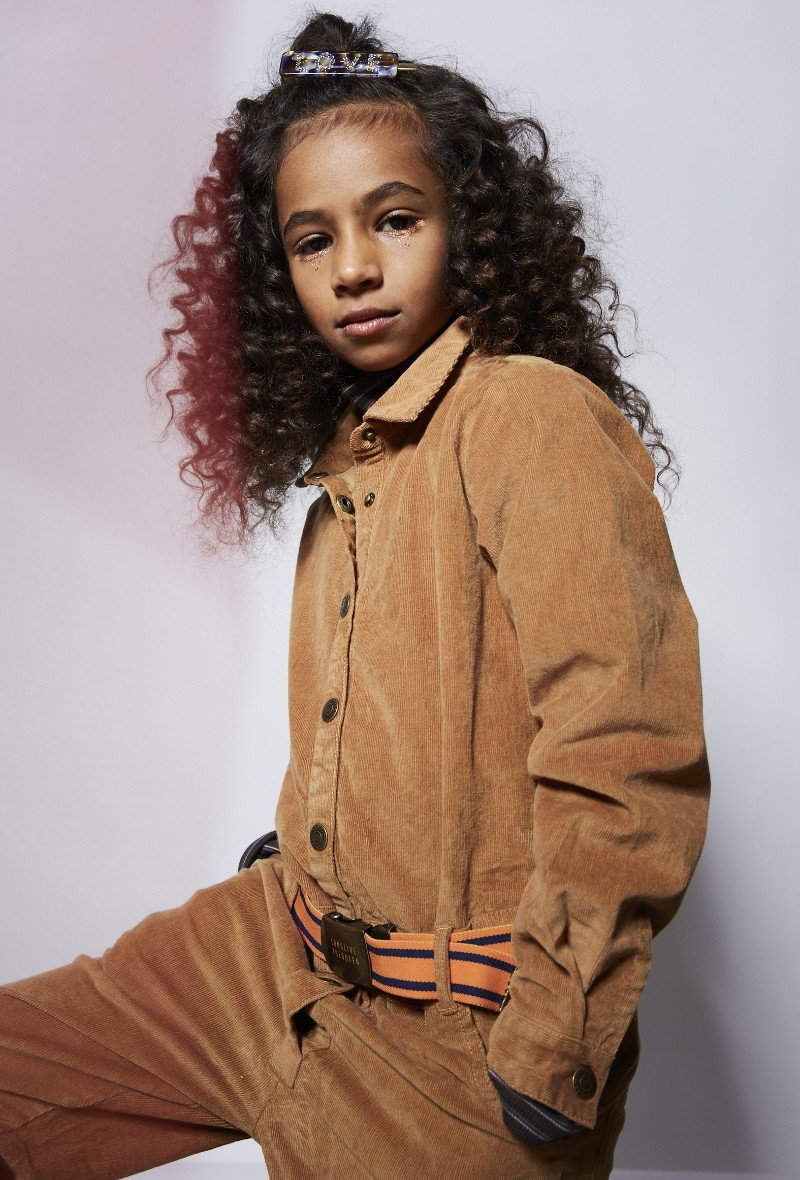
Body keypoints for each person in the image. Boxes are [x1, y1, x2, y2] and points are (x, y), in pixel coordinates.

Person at [0, 10, 711, 1179]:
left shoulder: (527, 414)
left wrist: (553, 1045)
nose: (354, 270)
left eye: (394, 219)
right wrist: (317, 848)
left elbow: (625, 745)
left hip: (454, 1054)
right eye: (310, 240)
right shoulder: (352, 461)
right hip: (272, 957)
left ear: (468, 225)